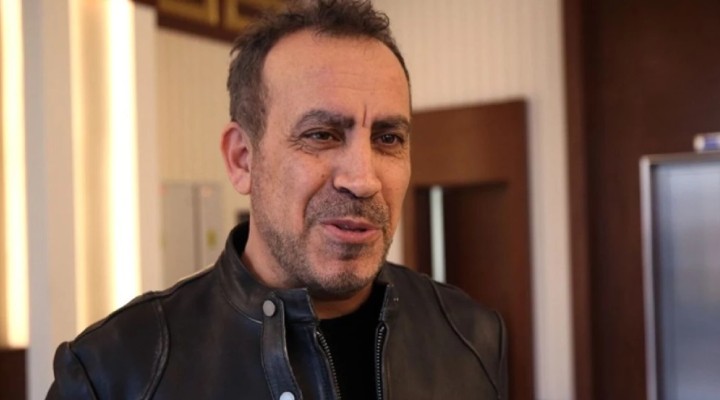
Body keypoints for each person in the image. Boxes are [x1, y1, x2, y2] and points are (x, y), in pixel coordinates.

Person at [47, 1, 507, 399]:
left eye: (388, 138)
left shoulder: (472, 338)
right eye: (321, 135)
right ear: (242, 159)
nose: (363, 180)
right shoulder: (114, 372)